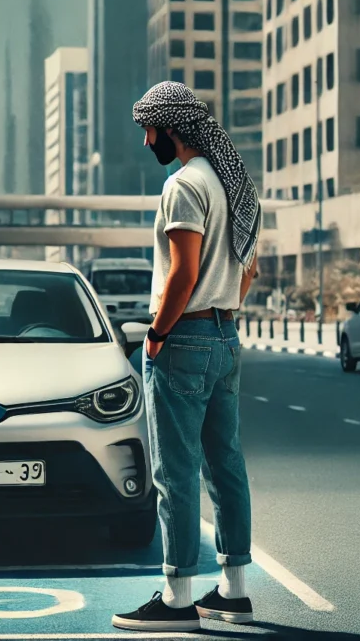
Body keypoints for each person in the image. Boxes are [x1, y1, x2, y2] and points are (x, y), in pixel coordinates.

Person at [112, 82, 260, 633]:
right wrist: (222, 313)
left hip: (187, 339)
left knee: (174, 472)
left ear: (171, 128)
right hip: (225, 336)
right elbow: (249, 271)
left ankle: (177, 599)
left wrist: (157, 333)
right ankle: (234, 593)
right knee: (226, 466)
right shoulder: (234, 187)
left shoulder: (184, 186)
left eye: (149, 128)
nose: (146, 139)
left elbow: (183, 273)